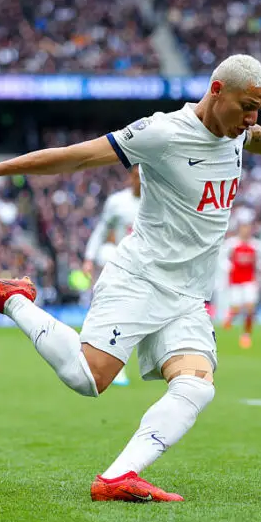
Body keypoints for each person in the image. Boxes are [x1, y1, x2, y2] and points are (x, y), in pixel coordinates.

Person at [0, 54, 261, 502]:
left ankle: (118, 476)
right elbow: (73, 159)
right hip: (140, 277)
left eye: (259, 109)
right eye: (246, 106)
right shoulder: (163, 133)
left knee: (196, 385)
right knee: (86, 379)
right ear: (216, 91)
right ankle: (14, 298)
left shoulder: (241, 131)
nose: (251, 118)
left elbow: (260, 140)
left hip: (188, 294)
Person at [82, 165, 142, 386]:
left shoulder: (156, 201)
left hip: (147, 268)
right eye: (135, 176)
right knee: (118, 313)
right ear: (130, 177)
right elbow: (100, 230)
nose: (139, 180)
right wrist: (89, 258)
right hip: (120, 265)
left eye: (142, 176)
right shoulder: (117, 202)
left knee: (137, 318)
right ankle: (114, 365)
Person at [222, 223, 260, 348]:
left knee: (250, 309)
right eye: (244, 228)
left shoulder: (254, 245)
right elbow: (224, 259)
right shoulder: (232, 244)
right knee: (237, 309)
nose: (246, 230)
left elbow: (256, 263)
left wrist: (257, 278)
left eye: (248, 228)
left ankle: (246, 335)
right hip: (236, 282)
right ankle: (229, 318)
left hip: (249, 281)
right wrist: (228, 269)